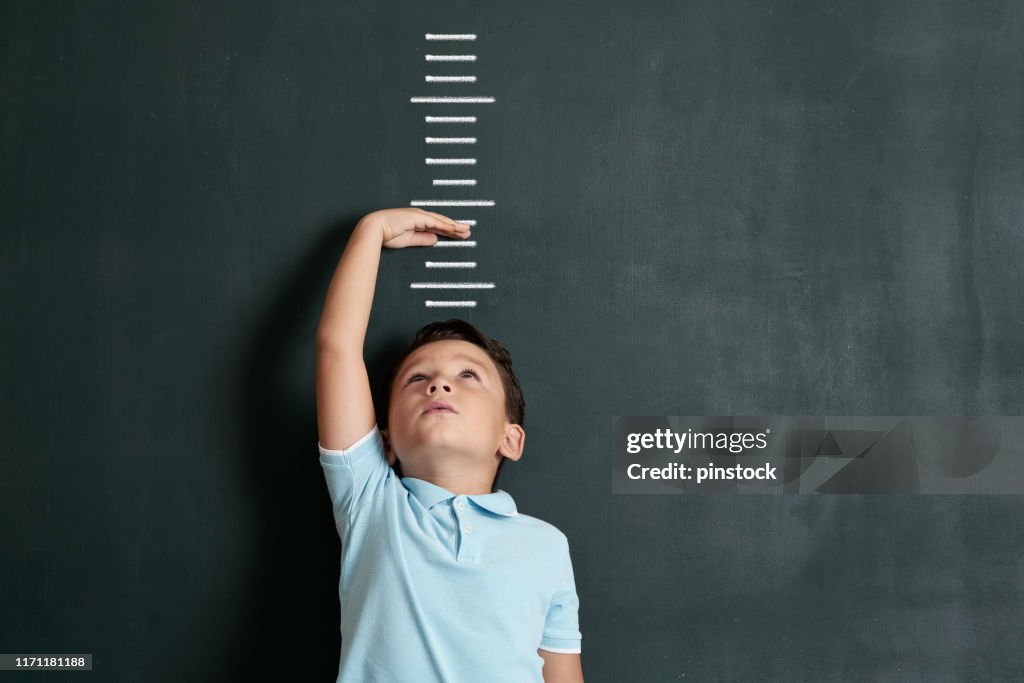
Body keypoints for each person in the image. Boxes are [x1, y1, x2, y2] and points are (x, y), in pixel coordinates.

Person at [316, 208, 584, 682]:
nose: (439, 385)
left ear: (510, 438)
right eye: (417, 379)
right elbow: (338, 347)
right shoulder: (372, 502)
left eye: (467, 375)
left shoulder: (547, 546)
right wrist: (370, 231)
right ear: (386, 443)